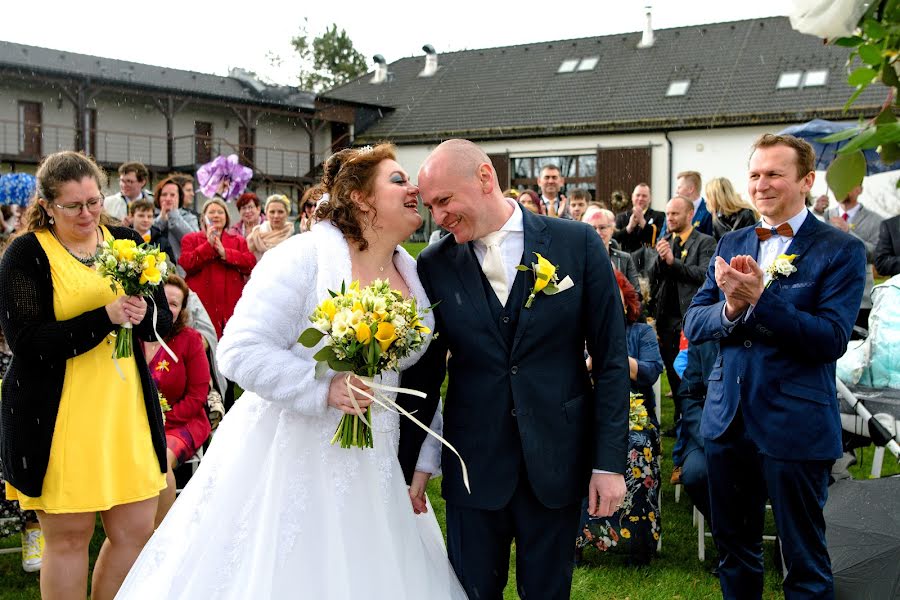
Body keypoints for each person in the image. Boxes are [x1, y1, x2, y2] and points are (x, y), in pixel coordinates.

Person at [116, 143, 465, 599]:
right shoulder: (303, 257)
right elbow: (239, 350)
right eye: (398, 180)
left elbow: (414, 381)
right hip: (289, 456)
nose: (414, 187)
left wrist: (421, 459)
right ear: (360, 197)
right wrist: (322, 387)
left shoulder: (413, 272)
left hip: (375, 456)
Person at [403, 138, 629, 599]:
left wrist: (608, 463)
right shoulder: (434, 263)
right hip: (474, 465)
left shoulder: (577, 243)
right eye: (430, 206)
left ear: (485, 178)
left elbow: (609, 362)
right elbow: (425, 375)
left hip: (556, 459)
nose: (439, 217)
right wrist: (415, 463)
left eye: (445, 201)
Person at [684, 133, 866, 599]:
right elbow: (695, 318)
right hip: (728, 420)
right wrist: (730, 308)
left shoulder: (840, 250)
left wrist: (761, 300)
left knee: (804, 559)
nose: (761, 184)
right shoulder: (733, 240)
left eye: (774, 174)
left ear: (806, 180)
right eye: (755, 174)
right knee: (735, 553)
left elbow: (830, 339)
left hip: (794, 421)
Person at [0, 150, 172, 600]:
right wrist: (106, 317)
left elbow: (162, 320)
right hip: (57, 417)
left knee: (136, 530)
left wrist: (144, 311)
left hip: (125, 409)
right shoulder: (26, 253)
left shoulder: (123, 240)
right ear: (48, 205)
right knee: (70, 539)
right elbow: (27, 340)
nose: (87, 214)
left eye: (94, 201)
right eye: (73, 206)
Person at [143, 274, 210, 526]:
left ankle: (160, 534)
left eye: (174, 304)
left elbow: (198, 395)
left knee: (160, 459)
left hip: (183, 421)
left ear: (181, 309)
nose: (167, 307)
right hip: (140, 421)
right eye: (163, 300)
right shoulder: (133, 336)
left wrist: (162, 420)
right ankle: (134, 530)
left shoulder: (190, 340)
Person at [649, 196, 716, 425]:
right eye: (668, 214)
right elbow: (654, 278)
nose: (670, 218)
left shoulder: (705, 242)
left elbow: (704, 274)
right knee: (671, 371)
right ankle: (680, 419)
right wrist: (660, 261)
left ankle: (696, 420)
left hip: (691, 317)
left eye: (675, 214)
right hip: (666, 318)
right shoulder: (665, 240)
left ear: (690, 215)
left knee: (690, 372)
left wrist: (673, 262)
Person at [179, 198, 256, 340]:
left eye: (220, 212)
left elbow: (250, 263)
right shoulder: (191, 239)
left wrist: (226, 253)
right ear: (204, 218)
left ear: (226, 218)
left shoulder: (238, 240)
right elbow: (186, 263)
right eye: (211, 212)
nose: (216, 215)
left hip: (230, 305)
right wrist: (208, 245)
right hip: (202, 304)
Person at [825, 185, 883, 332]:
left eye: (848, 183)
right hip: (827, 296)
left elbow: (876, 254)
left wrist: (848, 231)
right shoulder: (824, 216)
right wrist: (816, 211)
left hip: (861, 299)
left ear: (860, 189)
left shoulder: (876, 220)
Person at [586, 208, 641, 296]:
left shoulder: (625, 258)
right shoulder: (580, 259)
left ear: (612, 229)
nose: (598, 232)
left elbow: (636, 294)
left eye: (602, 227)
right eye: (593, 228)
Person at [152, 177, 200, 274]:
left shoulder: (189, 217)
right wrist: (161, 219)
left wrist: (174, 215)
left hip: (181, 273)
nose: (168, 198)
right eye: (164, 195)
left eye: (173, 195)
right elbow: (147, 236)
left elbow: (193, 240)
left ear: (179, 197)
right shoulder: (150, 216)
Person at [613, 183, 665, 252]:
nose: (640, 198)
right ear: (632, 197)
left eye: (644, 196)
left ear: (650, 199)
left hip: (649, 258)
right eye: (638, 195)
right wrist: (629, 228)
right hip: (628, 257)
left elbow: (659, 237)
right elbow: (614, 239)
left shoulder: (659, 216)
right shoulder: (621, 217)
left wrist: (643, 222)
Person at [660, 171, 712, 237]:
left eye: (679, 188)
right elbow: (662, 237)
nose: (676, 192)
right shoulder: (672, 209)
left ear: (691, 189)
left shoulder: (709, 211)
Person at [705, 177, 758, 241]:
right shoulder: (716, 218)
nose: (707, 201)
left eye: (708, 196)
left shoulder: (746, 214)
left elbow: (752, 243)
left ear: (718, 197)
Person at [246, 194, 294, 260]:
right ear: (266, 213)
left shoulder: (294, 234)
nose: (276, 216)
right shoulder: (256, 236)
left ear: (287, 213)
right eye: (272, 212)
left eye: (280, 212)